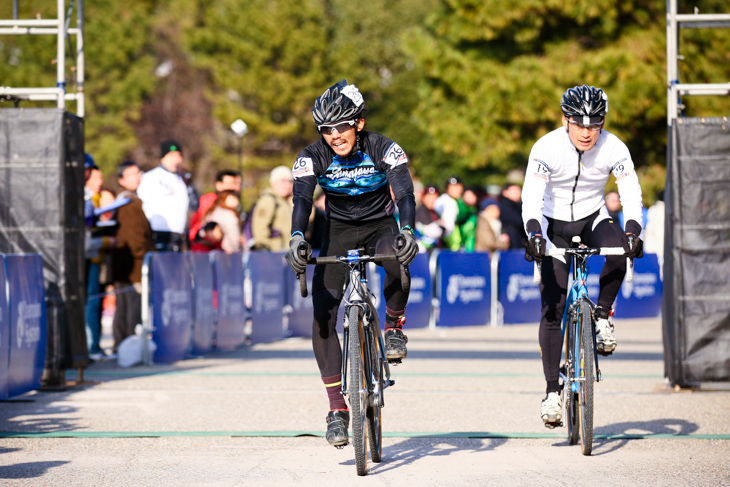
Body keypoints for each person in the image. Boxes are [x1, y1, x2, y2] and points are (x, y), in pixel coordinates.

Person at [284, 80, 417, 448]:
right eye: (325, 129)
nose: (333, 135)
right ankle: (337, 410)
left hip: (380, 226)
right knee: (323, 312)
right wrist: (297, 237)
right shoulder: (313, 156)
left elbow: (405, 194)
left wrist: (407, 229)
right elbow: (301, 200)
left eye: (340, 126)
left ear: (358, 123)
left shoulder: (384, 148)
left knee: (398, 260)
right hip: (337, 230)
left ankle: (393, 326)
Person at [522, 85, 644, 428]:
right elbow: (531, 196)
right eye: (579, 124)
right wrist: (533, 233)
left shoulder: (614, 146)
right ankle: (550, 391)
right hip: (551, 223)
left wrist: (634, 228)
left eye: (595, 124)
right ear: (565, 120)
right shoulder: (546, 147)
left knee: (620, 250)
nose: (588, 132)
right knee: (553, 305)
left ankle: (602, 314)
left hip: (592, 215)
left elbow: (630, 191)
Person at [110, 161, 155, 353]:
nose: (137, 177)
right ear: (121, 180)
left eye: (138, 173)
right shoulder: (128, 203)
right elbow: (134, 239)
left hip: (126, 265)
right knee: (131, 309)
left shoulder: (131, 201)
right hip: (133, 266)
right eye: (131, 174)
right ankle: (128, 347)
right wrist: (145, 256)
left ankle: (122, 345)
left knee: (125, 307)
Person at [84, 159, 117, 360]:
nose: (99, 181)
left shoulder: (95, 199)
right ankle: (91, 346)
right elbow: (86, 237)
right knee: (91, 303)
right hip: (87, 257)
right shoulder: (86, 199)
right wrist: (105, 240)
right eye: (96, 177)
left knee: (96, 302)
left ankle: (94, 345)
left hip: (96, 258)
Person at [137, 140, 190, 251]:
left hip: (178, 234)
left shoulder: (182, 179)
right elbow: (142, 204)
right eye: (171, 156)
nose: (176, 160)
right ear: (162, 157)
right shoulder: (150, 177)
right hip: (158, 232)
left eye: (179, 156)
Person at [188, 169, 242, 243]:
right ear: (218, 185)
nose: (233, 187)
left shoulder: (232, 201)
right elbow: (197, 223)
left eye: (235, 184)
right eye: (229, 184)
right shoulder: (208, 200)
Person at [250, 166, 294, 251]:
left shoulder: (286, 202)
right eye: (283, 181)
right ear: (273, 183)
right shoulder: (269, 200)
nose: (287, 185)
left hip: (285, 253)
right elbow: (260, 228)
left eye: (290, 181)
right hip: (274, 254)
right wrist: (265, 250)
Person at [434, 176, 464, 251]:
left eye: (458, 187)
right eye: (453, 187)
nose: (456, 190)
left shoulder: (451, 200)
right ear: (447, 188)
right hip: (448, 245)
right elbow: (448, 228)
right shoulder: (448, 202)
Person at [499, 183, 527, 250]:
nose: (518, 193)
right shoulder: (505, 205)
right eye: (514, 191)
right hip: (512, 243)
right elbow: (519, 221)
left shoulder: (517, 205)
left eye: (519, 191)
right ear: (505, 192)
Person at [415, 185, 443, 250]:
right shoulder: (420, 211)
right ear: (423, 197)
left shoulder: (437, 212)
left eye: (435, 197)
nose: (432, 200)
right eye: (429, 196)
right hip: (421, 251)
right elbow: (430, 231)